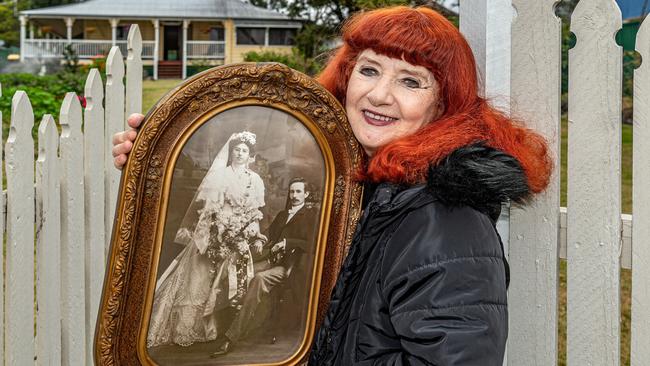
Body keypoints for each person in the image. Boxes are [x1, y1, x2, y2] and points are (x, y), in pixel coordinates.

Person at [113, 6, 552, 365]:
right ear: (345, 78)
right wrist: (159, 161)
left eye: (410, 81)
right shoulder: (351, 185)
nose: (379, 95)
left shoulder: (446, 220)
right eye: (369, 70)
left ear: (443, 105)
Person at [146, 131, 267, 348]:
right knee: (200, 278)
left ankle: (217, 328)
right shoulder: (220, 176)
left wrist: (253, 233)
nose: (240, 154)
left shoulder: (255, 180)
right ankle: (188, 327)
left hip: (238, 235)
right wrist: (214, 234)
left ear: (250, 155)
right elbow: (209, 210)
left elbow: (254, 211)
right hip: (215, 231)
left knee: (225, 283)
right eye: (237, 150)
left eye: (244, 151)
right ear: (231, 153)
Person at [211, 177, 319, 356]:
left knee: (258, 279)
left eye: (298, 191)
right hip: (271, 260)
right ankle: (222, 325)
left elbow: (314, 243)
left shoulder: (311, 216)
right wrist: (261, 239)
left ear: (306, 194)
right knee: (239, 272)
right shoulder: (283, 215)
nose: (294, 195)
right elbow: (269, 233)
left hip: (289, 266)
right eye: (292, 191)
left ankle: (231, 338)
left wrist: (287, 243)